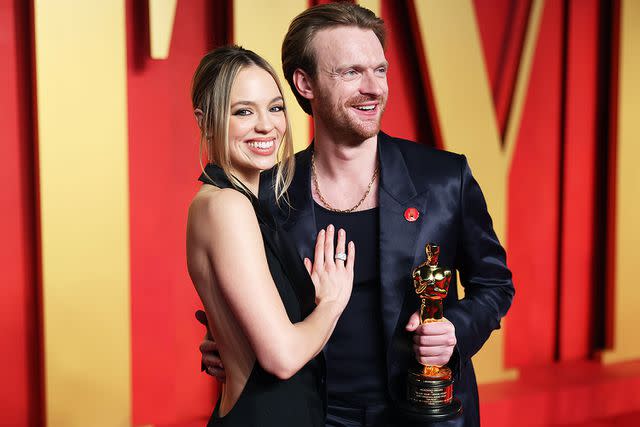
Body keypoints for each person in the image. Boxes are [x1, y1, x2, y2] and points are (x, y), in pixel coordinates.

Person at [200, 4, 515, 426]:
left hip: (424, 415)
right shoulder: (266, 194)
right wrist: (229, 341)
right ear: (305, 83)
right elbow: (255, 302)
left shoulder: (444, 177)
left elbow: (494, 284)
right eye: (351, 72)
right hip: (314, 417)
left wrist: (455, 330)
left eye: (379, 70)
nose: (373, 88)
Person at [187, 45, 356, 427]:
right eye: (243, 111)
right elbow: (281, 357)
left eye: (275, 107)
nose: (267, 125)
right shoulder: (226, 206)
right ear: (206, 120)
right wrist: (331, 302)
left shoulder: (238, 203)